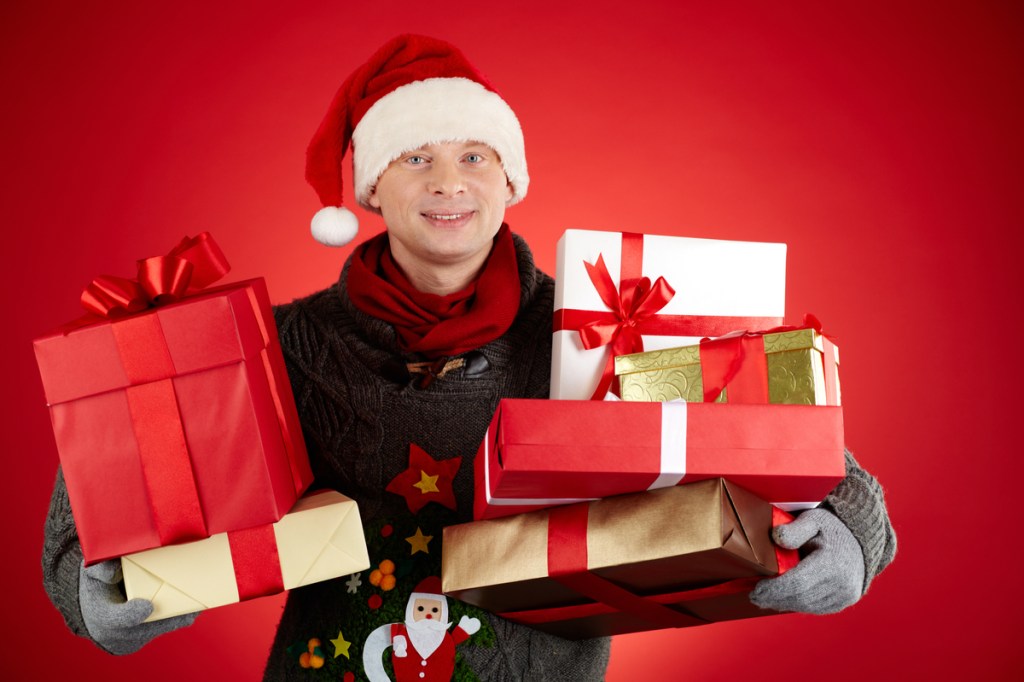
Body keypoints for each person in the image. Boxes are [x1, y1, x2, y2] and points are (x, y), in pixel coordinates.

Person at [42, 34, 896, 681]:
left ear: (509, 181)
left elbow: (804, 460)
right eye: (416, 157)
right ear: (373, 189)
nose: (448, 182)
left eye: (474, 157)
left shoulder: (603, 324)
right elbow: (103, 494)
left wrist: (853, 542)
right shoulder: (286, 342)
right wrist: (89, 587)